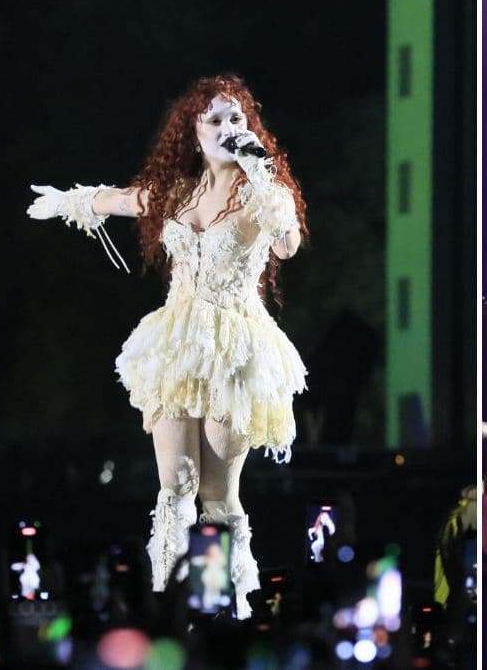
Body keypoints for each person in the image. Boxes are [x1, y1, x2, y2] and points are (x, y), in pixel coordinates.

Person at [26, 75, 308, 618]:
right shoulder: (180, 192)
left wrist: (261, 173)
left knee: (218, 496)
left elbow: (288, 245)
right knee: (175, 483)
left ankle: (228, 606)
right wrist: (69, 200)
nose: (229, 128)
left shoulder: (260, 193)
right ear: (194, 132)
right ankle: (169, 604)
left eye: (236, 118)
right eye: (216, 120)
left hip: (235, 348)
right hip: (178, 345)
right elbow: (124, 199)